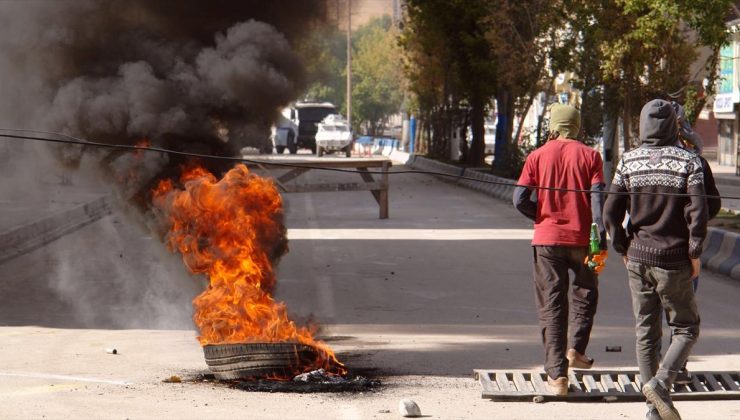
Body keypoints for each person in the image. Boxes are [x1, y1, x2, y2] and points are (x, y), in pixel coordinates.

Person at [604, 99, 707, 420]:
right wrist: (695, 252)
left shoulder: (628, 161)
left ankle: (652, 409)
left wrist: (621, 247)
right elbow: (699, 211)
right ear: (673, 126)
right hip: (674, 259)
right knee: (686, 327)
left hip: (637, 257)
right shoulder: (689, 162)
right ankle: (662, 384)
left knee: (646, 331)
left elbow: (610, 211)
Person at [513, 103, 606, 396]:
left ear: (553, 125)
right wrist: (599, 236)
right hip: (582, 240)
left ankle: (557, 377)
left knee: (552, 305)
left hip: (547, 241)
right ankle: (576, 349)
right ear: (577, 126)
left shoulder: (537, 155)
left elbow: (519, 199)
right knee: (586, 293)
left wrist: (541, 217)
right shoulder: (591, 156)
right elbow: (598, 200)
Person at [669, 101, 721, 386]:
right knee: (683, 317)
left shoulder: (636, 158)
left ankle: (653, 372)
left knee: (649, 316)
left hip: (645, 250)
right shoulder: (695, 161)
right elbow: (711, 206)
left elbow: (622, 206)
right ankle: (675, 371)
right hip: (684, 250)